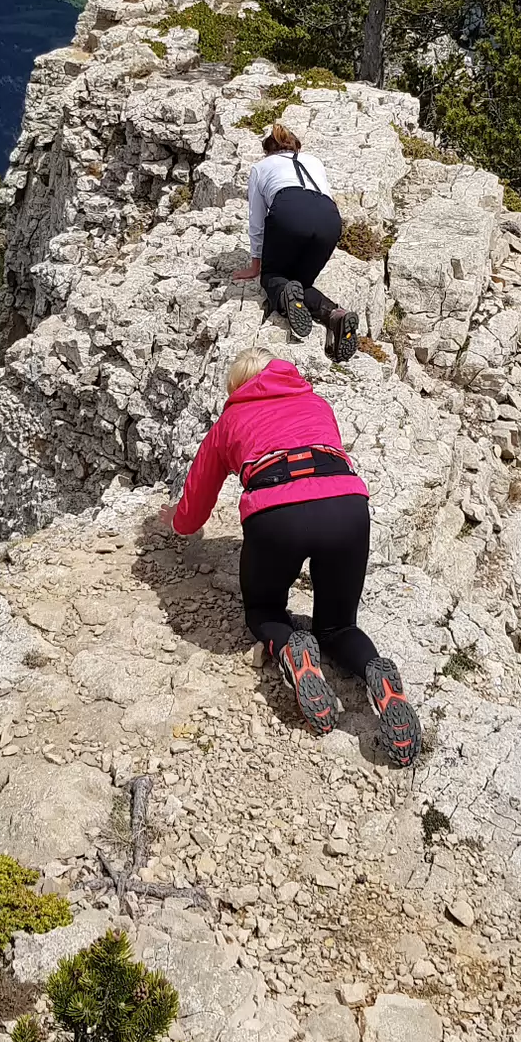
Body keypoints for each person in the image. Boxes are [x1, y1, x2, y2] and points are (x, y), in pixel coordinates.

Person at [163, 348, 420, 767]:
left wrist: (175, 522)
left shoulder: (231, 419)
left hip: (276, 515)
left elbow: (195, 505)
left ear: (237, 385)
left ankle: (291, 651)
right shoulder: (316, 403)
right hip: (346, 507)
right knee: (338, 625)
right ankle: (376, 672)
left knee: (263, 609)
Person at [232, 121, 359, 361]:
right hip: (329, 220)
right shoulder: (314, 161)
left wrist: (256, 267)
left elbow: (257, 221)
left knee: (273, 277)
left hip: (290, 212)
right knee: (300, 283)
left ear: (267, 151)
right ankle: (336, 316)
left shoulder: (260, 167)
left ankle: (283, 294)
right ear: (295, 147)